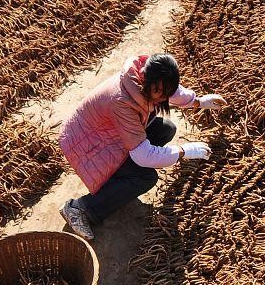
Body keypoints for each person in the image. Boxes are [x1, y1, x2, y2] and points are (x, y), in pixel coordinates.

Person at [58, 53, 225, 240]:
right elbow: (143, 156)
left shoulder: (144, 74)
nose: (164, 98)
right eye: (159, 92)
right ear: (146, 80)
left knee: (165, 129)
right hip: (87, 146)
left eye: (166, 92)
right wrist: (184, 151)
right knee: (145, 178)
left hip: (106, 134)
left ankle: (120, 182)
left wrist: (198, 102)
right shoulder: (122, 101)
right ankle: (81, 209)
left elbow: (170, 91)